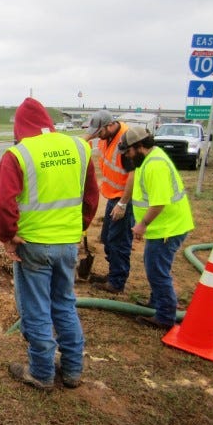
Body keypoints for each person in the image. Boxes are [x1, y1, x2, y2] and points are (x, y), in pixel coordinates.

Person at [0, 98, 99, 390]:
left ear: (19, 127)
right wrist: (76, 229)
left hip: (33, 245)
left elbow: (3, 203)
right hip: (67, 243)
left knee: (36, 309)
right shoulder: (79, 147)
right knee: (64, 304)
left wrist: (7, 236)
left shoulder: (19, 154)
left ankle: (41, 372)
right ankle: (73, 370)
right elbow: (90, 198)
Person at [117, 127, 194, 329]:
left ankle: (166, 316)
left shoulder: (155, 166)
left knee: (157, 271)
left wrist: (142, 225)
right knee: (155, 266)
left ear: (139, 146)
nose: (127, 156)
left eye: (128, 151)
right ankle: (157, 302)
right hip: (162, 227)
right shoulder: (147, 159)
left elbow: (159, 202)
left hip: (168, 228)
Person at [83, 110, 135, 294]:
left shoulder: (125, 140)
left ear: (110, 125)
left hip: (124, 199)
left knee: (118, 241)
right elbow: (84, 143)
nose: (98, 136)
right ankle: (113, 275)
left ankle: (117, 282)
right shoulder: (106, 137)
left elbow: (133, 175)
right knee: (107, 238)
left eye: (99, 132)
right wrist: (91, 134)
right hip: (113, 196)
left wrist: (123, 203)